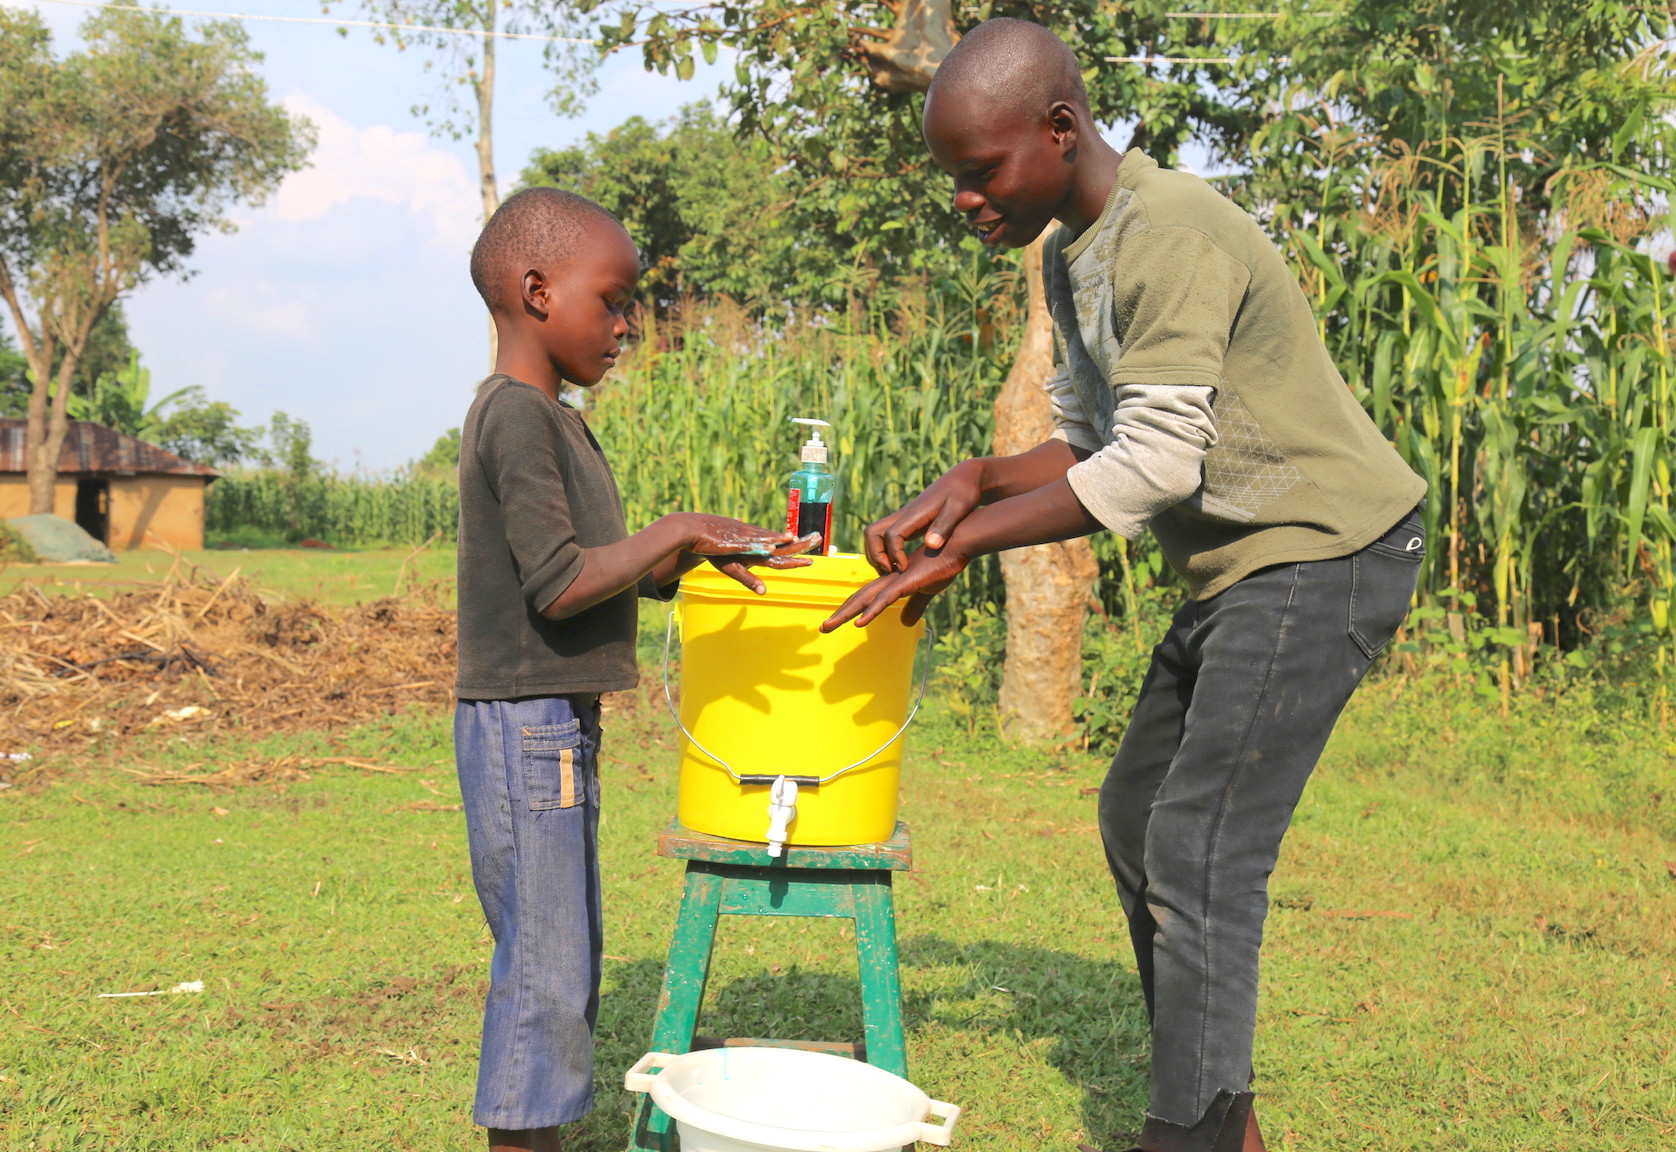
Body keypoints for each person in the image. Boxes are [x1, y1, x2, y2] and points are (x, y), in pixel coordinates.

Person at [820, 18, 1426, 1152]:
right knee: (1137, 820)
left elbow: (1156, 465)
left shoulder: (1170, 230)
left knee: (1198, 849)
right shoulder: (1068, 249)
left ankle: (1189, 1133)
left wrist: (966, 545)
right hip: (1248, 564)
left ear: (1060, 130)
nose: (963, 198)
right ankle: (1219, 1120)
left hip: (1325, 551)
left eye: (979, 170)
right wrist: (975, 477)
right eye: (953, 176)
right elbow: (1090, 439)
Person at [455, 186, 810, 1152]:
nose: (625, 327)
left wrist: (693, 553)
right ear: (536, 291)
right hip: (527, 723)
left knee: (559, 957)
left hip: (552, 724)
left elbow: (602, 575)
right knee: (546, 969)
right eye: (611, 302)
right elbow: (561, 583)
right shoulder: (517, 418)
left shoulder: (553, 419)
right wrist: (675, 526)